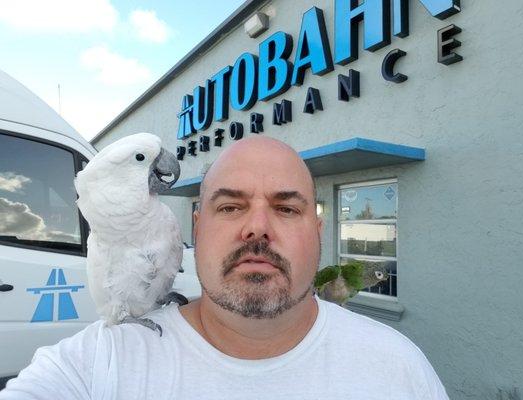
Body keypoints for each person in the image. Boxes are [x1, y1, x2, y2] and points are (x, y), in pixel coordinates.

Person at [0, 136, 449, 399]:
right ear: (197, 226)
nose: (257, 229)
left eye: (287, 210)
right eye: (231, 207)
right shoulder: (97, 364)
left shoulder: (399, 368)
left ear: (318, 229)